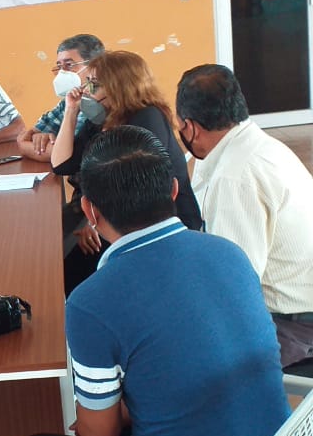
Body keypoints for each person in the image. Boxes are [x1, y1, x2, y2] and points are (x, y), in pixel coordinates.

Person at [10, 126, 290, 436]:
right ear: (174, 190)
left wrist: (110, 413)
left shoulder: (91, 301)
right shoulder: (229, 253)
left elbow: (97, 435)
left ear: (89, 211)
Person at [176, 64, 313, 367]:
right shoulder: (254, 146)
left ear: (190, 128)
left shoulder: (236, 176)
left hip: (290, 329)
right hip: (298, 314)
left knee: (170, 354)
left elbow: (235, 285)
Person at [50, 50, 203, 294]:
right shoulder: (104, 117)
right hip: (116, 215)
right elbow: (62, 164)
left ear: (117, 86)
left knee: (72, 269)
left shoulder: (147, 118)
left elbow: (135, 188)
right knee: (61, 261)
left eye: (94, 84)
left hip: (155, 222)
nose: (87, 90)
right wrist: (71, 111)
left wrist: (93, 222)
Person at [17, 33, 105, 163]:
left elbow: (70, 156)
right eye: (59, 67)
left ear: (94, 66)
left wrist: (26, 147)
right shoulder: (69, 101)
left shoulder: (102, 102)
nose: (62, 72)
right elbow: (26, 136)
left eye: (69, 65)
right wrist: (39, 139)